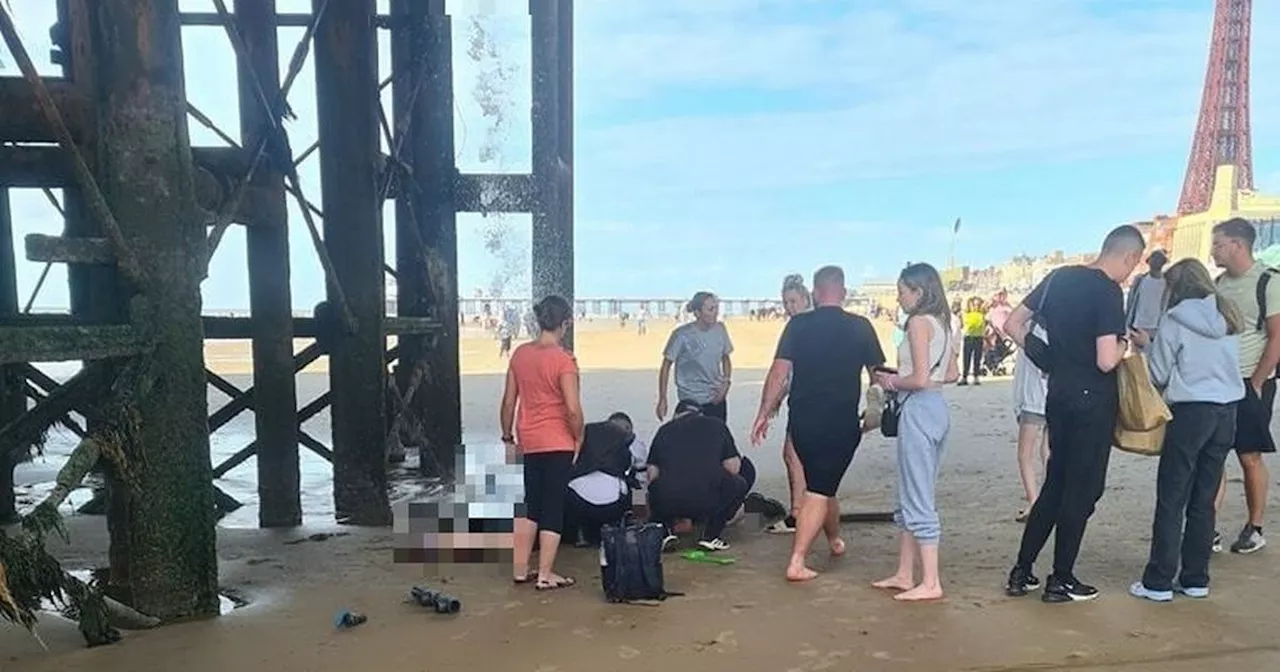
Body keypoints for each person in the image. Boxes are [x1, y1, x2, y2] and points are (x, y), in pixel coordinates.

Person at [1002, 224, 1144, 603]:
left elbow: (1011, 323)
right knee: (1082, 490)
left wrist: (1044, 357)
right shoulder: (1108, 291)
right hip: (1092, 399)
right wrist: (1126, 342)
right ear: (1129, 257)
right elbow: (1104, 360)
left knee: (1055, 484)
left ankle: (1022, 571)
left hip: (1059, 393)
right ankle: (1061, 578)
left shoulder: (1058, 278)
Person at [750, 265, 887, 582]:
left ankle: (834, 540)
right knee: (819, 488)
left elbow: (778, 372)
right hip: (840, 422)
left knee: (824, 483)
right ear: (843, 291)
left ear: (814, 292)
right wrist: (878, 409)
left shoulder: (798, 326)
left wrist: (763, 413)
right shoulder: (860, 326)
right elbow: (878, 376)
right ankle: (796, 561)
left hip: (802, 422)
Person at [1128, 258, 1244, 601]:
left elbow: (1160, 374)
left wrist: (1148, 344)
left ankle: (1159, 580)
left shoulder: (1175, 319)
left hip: (1191, 410)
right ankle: (1196, 577)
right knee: (1204, 499)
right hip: (1227, 411)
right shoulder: (1228, 315)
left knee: (1172, 497)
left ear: (1175, 287)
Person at [871, 263, 959, 602]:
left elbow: (920, 378)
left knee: (917, 495)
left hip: (919, 408)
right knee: (913, 491)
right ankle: (905, 573)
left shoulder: (919, 323)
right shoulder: (944, 323)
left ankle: (931, 581)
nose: (899, 298)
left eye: (902, 292)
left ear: (918, 292)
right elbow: (949, 374)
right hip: (937, 408)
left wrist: (890, 380)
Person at [500, 294, 583, 591]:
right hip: (558, 440)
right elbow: (572, 408)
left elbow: (509, 402)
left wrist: (507, 435)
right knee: (553, 506)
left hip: (529, 439)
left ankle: (521, 569)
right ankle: (546, 574)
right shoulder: (564, 360)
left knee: (531, 504)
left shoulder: (520, 354)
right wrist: (579, 436)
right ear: (565, 323)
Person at [1210, 217, 1277, 555]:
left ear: (1237, 244)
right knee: (1213, 454)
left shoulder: (1268, 281)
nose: (1213, 250)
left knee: (1249, 456)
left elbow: (1277, 337)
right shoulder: (1218, 284)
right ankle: (1209, 526)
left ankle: (1255, 526)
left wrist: (1257, 381)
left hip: (1251, 381)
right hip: (1218, 383)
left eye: (1218, 243)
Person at [647, 400, 756, 552]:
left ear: (676, 415)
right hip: (706, 501)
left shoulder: (664, 430)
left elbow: (652, 475)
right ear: (700, 414)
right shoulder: (717, 425)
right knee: (738, 483)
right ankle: (711, 536)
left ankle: (664, 533)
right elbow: (733, 468)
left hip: (670, 502)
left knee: (656, 487)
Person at [765, 273, 813, 535]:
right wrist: (778, 399)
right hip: (802, 399)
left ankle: (798, 513)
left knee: (792, 454)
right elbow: (790, 372)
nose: (789, 308)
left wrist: (771, 402)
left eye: (793, 301)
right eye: (786, 303)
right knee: (799, 456)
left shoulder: (801, 328)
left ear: (806, 298)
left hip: (806, 403)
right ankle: (805, 509)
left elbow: (783, 370)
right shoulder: (805, 325)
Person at [563, 412, 648, 547]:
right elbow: (639, 474)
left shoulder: (585, 439)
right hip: (613, 504)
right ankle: (637, 527)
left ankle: (580, 534)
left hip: (579, 503)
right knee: (638, 487)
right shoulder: (630, 444)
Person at [657, 291, 734, 422]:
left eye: (716, 308)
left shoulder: (720, 329)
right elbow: (666, 366)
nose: (715, 312)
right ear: (698, 313)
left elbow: (726, 358)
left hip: (716, 399)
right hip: (690, 401)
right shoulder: (681, 335)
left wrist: (725, 384)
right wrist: (663, 398)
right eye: (710, 309)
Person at [1011, 320, 1051, 523]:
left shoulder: (1028, 331)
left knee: (1025, 454)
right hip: (1052, 396)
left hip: (1032, 400)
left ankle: (1034, 501)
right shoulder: (1057, 329)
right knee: (1047, 452)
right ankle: (1046, 500)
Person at [1126, 250, 1169, 352]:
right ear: (1148, 261)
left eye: (1159, 259)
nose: (1156, 262)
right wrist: (1128, 324)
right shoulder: (1140, 280)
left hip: (1156, 329)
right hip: (1138, 326)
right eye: (1154, 258)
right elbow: (1131, 302)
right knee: (1137, 361)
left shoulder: (1168, 284)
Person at [959, 297, 987, 386]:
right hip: (968, 337)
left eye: (977, 305)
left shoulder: (982, 314)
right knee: (966, 358)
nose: (975, 306)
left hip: (978, 337)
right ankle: (964, 376)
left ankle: (976, 376)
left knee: (977, 358)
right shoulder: (965, 314)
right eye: (974, 304)